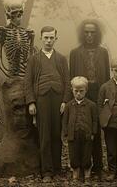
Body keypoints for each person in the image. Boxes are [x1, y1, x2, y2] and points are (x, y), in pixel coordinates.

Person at [25, 26, 71, 182]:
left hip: (58, 100)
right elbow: (28, 83)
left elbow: (66, 81)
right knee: (44, 136)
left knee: (56, 135)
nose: (49, 41)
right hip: (41, 100)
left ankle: (57, 168)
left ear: (55, 39)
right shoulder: (34, 59)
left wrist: (65, 100)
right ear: (41, 38)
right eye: (46, 38)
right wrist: (31, 102)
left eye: (52, 38)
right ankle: (46, 171)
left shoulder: (61, 59)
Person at [69, 19, 110, 179]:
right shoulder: (75, 53)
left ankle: (98, 167)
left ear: (97, 34)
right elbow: (72, 77)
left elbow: (107, 77)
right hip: (81, 94)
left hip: (98, 94)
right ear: (82, 33)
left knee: (96, 130)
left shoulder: (103, 52)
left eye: (93, 32)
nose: (89, 35)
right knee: (81, 131)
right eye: (86, 32)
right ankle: (80, 166)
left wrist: (106, 98)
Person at [62, 76, 99, 183]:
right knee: (74, 154)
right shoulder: (69, 106)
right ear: (72, 90)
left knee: (86, 153)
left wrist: (93, 132)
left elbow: (95, 121)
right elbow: (65, 121)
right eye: (76, 91)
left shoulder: (91, 105)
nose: (78, 93)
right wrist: (65, 133)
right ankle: (76, 171)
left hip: (87, 134)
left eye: (81, 91)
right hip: (73, 135)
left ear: (86, 90)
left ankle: (87, 171)